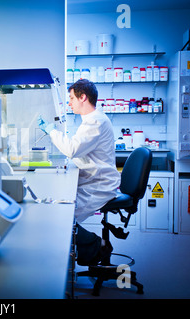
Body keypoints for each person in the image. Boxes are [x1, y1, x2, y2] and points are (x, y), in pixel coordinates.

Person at [37, 79, 120, 266]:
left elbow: (73, 149)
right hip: (94, 181)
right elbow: (80, 151)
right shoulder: (91, 120)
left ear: (83, 97)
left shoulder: (95, 121)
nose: (69, 103)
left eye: (72, 98)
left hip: (100, 186)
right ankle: (90, 249)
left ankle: (98, 246)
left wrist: (51, 131)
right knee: (59, 209)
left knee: (62, 215)